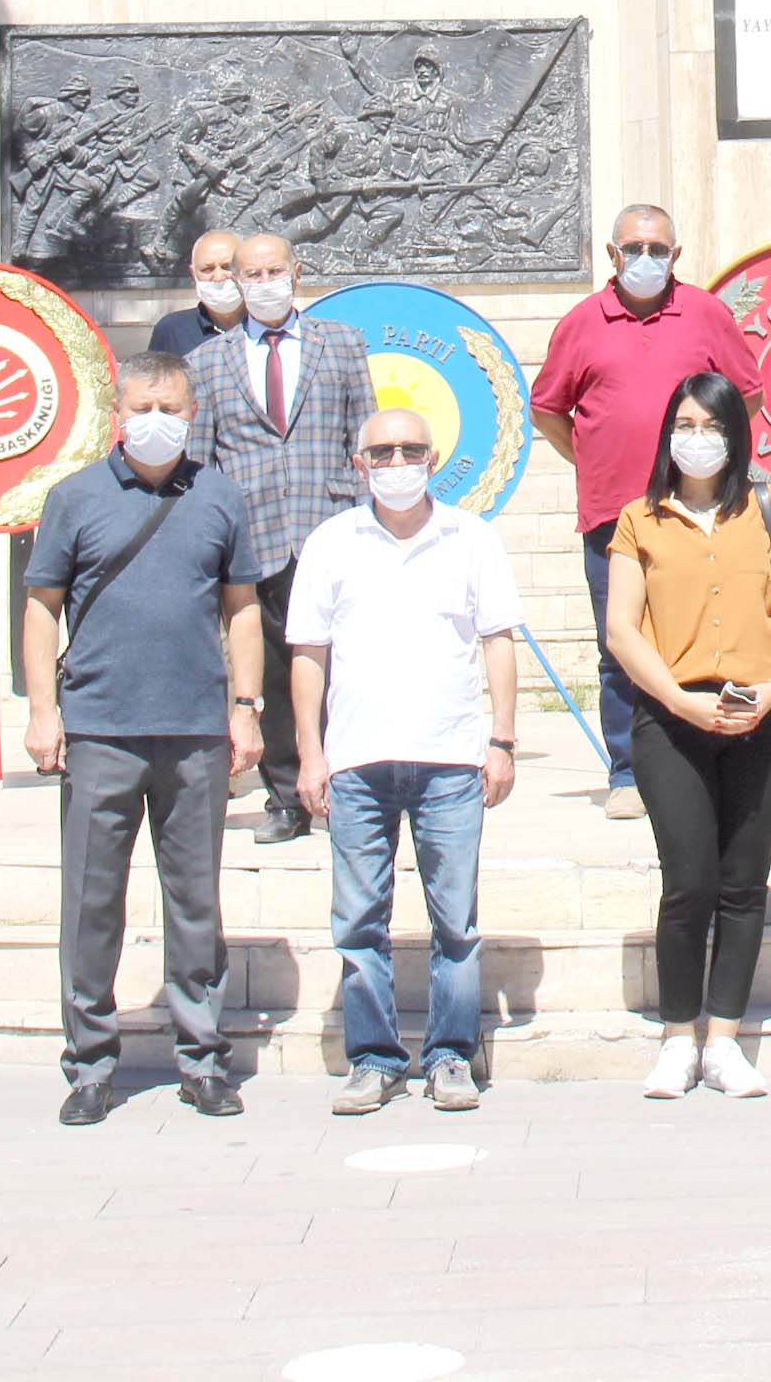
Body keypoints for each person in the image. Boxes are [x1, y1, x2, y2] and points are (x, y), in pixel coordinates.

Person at [22, 352, 265, 1125]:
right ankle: (91, 1063)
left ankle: (202, 1058)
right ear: (117, 414)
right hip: (100, 729)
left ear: (193, 414)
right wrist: (41, 709)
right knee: (93, 901)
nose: (156, 420)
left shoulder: (220, 497)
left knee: (195, 900)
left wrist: (246, 707)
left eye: (172, 407)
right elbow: (41, 608)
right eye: (142, 407)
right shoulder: (75, 497)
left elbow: (242, 609)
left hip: (194, 731)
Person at [290, 405, 526, 1117]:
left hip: (449, 760)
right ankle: (373, 1059)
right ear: (359, 464)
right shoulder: (331, 543)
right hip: (356, 761)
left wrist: (503, 740)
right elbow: (308, 654)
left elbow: (498, 640)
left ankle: (452, 1056)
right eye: (382, 452)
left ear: (432, 457)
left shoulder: (471, 537)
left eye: (410, 449)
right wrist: (309, 753)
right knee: (359, 920)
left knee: (454, 921)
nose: (397, 463)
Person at [602, 373, 771, 1100]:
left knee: (742, 883)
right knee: (689, 881)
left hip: (762, 716)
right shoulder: (641, 520)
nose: (699, 438)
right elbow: (622, 629)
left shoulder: (768, 509)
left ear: (736, 434)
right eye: (686, 424)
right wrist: (678, 702)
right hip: (674, 721)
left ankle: (724, 1040)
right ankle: (676, 1038)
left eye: (712, 425)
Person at [532, 205, 766, 821]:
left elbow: (748, 392)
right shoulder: (583, 322)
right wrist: (591, 458)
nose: (645, 259)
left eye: (657, 249)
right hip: (614, 512)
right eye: (633, 248)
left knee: (699, 633)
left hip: (696, 512)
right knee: (623, 645)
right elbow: (548, 408)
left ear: (676, 255)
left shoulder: (706, 314)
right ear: (611, 254)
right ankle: (628, 771)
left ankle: (705, 754)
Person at [188, 232, 374, 844]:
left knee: (339, 666)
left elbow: (365, 438)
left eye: (274, 270)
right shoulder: (208, 363)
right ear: (235, 281)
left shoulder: (341, 344)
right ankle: (286, 795)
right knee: (267, 670)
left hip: (330, 528)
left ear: (296, 272)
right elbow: (200, 459)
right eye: (251, 273)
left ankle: (345, 788)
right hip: (255, 536)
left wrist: (372, 525)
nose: (263, 281)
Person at [147, 229, 248, 359]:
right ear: (193, 274)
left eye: (227, 267)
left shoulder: (267, 326)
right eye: (207, 269)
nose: (218, 277)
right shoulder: (171, 330)